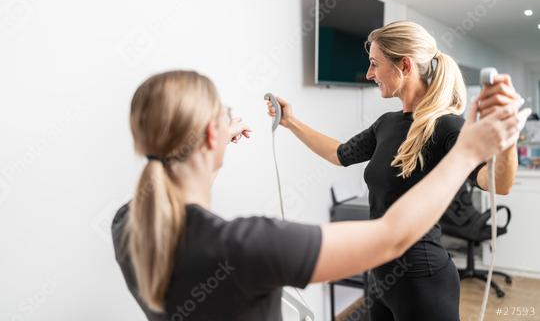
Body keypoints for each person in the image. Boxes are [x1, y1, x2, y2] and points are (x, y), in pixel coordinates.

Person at [113, 69, 529, 321]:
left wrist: (220, 141)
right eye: (226, 115)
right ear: (209, 135)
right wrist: (470, 151)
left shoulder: (129, 224)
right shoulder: (249, 245)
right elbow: (392, 237)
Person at [265, 21, 524, 320]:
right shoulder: (386, 123)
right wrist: (290, 121)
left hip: (423, 279)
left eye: (375, 64)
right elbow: (339, 154)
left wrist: (508, 138)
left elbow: (497, 184)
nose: (370, 74)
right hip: (380, 276)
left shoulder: (447, 126)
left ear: (404, 65)